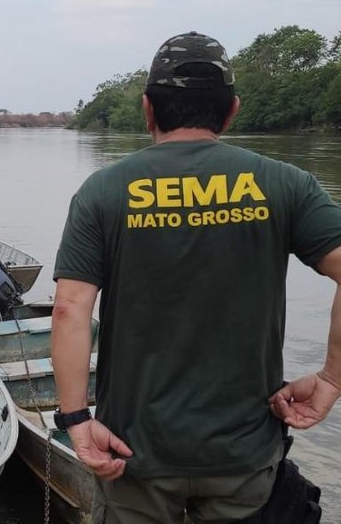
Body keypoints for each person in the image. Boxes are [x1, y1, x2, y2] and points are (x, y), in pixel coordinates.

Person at [50, 31, 341, 523]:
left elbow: (69, 309)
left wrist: (77, 419)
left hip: (133, 451)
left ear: (147, 109)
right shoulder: (286, 183)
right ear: (231, 111)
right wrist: (333, 377)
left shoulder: (103, 191)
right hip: (243, 451)